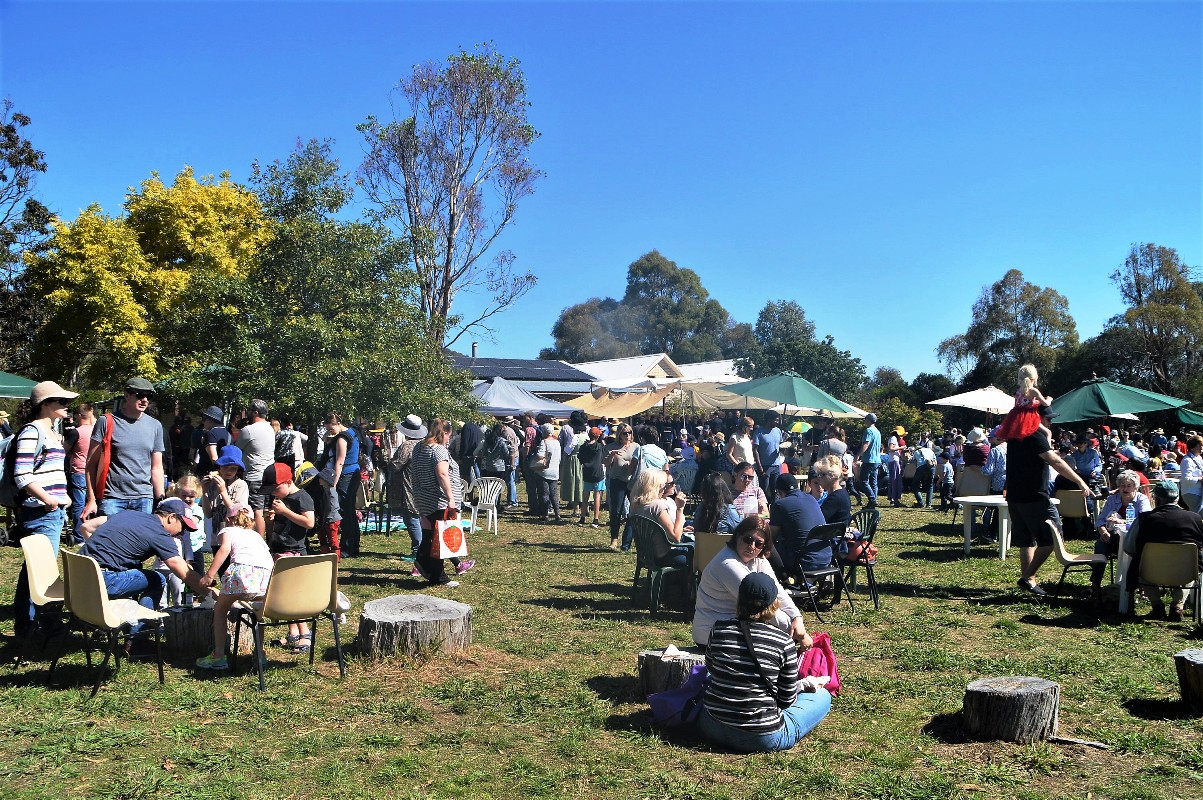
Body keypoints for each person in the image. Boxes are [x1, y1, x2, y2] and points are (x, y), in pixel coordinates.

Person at [696, 572, 831, 753]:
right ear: (774, 604)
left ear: (739, 599)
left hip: (711, 726)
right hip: (762, 737)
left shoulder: (719, 628)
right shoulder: (783, 642)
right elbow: (786, 700)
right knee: (823, 697)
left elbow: (712, 668)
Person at [10, 380, 77, 636]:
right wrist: (49, 499)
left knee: (36, 571)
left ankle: (34, 625)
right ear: (45, 404)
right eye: (62, 402)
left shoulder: (52, 430)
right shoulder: (32, 431)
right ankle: (33, 627)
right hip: (40, 512)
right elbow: (22, 475)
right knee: (39, 573)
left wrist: (64, 497)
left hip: (52, 512)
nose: (66, 406)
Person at [692, 516, 812, 648]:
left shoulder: (757, 559)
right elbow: (760, 605)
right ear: (738, 536)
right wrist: (798, 634)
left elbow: (776, 590)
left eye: (759, 543)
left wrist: (797, 617)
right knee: (778, 649)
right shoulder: (727, 564)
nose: (752, 546)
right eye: (747, 539)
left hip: (736, 627)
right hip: (713, 634)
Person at [1007, 420, 1092, 596]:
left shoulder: (1016, 434)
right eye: (1048, 419)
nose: (1050, 422)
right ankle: (1028, 577)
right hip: (1034, 497)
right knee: (1053, 539)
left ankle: (1029, 582)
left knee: (1027, 541)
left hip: (1015, 496)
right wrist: (1080, 481)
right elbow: (1055, 461)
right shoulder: (1035, 434)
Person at [79, 498, 209, 613]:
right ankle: (137, 633)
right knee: (157, 580)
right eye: (183, 527)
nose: (182, 533)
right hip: (102, 581)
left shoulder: (128, 514)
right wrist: (213, 596)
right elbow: (184, 572)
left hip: (77, 578)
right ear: (172, 518)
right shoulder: (159, 533)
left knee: (135, 572)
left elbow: (87, 526)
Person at [195, 503, 275, 670]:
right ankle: (259, 654)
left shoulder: (228, 531)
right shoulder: (256, 536)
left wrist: (209, 575)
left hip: (242, 571)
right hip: (266, 575)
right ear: (252, 520)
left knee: (220, 609)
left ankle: (218, 655)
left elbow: (224, 550)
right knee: (257, 613)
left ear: (228, 519)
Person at [83, 377, 166, 519]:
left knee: (139, 541)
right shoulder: (106, 421)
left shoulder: (155, 425)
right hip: (112, 498)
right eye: (140, 395)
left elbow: (157, 467)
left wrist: (161, 500)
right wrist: (91, 499)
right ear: (127, 395)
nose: (145, 400)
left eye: (149, 396)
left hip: (144, 498)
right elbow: (91, 465)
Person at [1123, 480, 1203, 621]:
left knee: (1141, 563)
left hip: (1150, 573)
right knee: (1191, 563)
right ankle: (1178, 606)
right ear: (1177, 498)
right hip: (1184, 573)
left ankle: (1157, 606)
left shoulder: (1144, 519)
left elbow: (1129, 548)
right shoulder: (1195, 519)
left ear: (1156, 499)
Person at [262, 463, 317, 650]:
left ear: (287, 482)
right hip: (278, 549)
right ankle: (293, 633)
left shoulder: (302, 497)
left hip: (295, 551)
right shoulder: (279, 499)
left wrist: (285, 511)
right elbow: (273, 531)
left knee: (294, 594)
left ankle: (305, 633)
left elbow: (309, 523)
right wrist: (269, 520)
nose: (273, 494)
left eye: (275, 489)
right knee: (283, 592)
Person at [412, 418, 471, 587]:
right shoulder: (438, 450)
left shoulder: (419, 447)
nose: (449, 440)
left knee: (430, 536)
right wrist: (451, 498)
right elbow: (442, 473)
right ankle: (437, 576)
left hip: (422, 497)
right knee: (440, 539)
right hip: (438, 499)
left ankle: (423, 564)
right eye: (448, 436)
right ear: (444, 433)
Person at [1089, 469, 1151, 602]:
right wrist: (1103, 531)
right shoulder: (1112, 499)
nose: (1125, 488)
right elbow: (1100, 520)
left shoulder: (1141, 499)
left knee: (1141, 552)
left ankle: (1141, 587)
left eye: (1129, 485)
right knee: (1100, 545)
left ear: (1135, 487)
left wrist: (1121, 521)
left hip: (1134, 539)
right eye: (1122, 485)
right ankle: (1095, 583)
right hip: (1113, 537)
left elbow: (1145, 520)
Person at [768, 473, 830, 580]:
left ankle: (785, 580)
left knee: (766, 544)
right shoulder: (811, 499)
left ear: (779, 492)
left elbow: (771, 537)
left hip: (804, 562)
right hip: (826, 557)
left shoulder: (780, 505)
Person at [318, 413, 362, 558]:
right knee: (350, 511)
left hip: (346, 475)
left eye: (331, 429)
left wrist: (333, 482)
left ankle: (347, 548)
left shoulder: (342, 438)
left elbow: (340, 461)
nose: (331, 432)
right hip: (353, 473)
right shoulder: (352, 433)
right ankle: (353, 545)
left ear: (338, 423)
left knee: (345, 512)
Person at [629, 468, 690, 567]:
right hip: (664, 556)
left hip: (647, 555)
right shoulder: (657, 505)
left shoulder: (636, 505)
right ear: (655, 487)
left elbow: (658, 530)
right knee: (698, 552)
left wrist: (681, 529)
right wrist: (680, 508)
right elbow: (676, 538)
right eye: (662, 486)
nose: (663, 488)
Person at [386, 414, 427, 559]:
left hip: (409, 485)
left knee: (411, 518)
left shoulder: (407, 446)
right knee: (420, 518)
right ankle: (421, 548)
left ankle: (418, 550)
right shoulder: (424, 443)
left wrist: (387, 461)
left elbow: (396, 466)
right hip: (422, 484)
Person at [235, 399, 275, 537]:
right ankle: (270, 542)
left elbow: (237, 448)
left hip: (254, 475)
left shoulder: (249, 430)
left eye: (250, 410)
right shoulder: (270, 428)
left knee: (257, 511)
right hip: (270, 474)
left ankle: (259, 542)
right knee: (269, 511)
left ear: (256, 412)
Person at [996, 363, 1053, 441]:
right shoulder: (1033, 391)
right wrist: (1049, 399)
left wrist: (1034, 402)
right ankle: (1048, 449)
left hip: (1015, 416)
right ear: (1035, 377)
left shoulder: (1019, 390)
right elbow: (1045, 404)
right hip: (1028, 417)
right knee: (1048, 433)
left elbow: (1017, 404)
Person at [605, 423, 636, 549]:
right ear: (619, 434)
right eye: (625, 433)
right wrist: (611, 455)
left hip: (632, 482)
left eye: (629, 432)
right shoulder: (611, 447)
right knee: (616, 511)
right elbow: (606, 463)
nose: (628, 435)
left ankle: (627, 541)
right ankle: (614, 539)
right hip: (617, 481)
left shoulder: (636, 447)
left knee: (633, 511)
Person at [531, 422, 563, 524]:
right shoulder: (557, 442)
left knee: (544, 494)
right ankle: (557, 514)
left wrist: (536, 454)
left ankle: (544, 515)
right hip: (554, 470)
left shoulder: (544, 442)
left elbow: (540, 456)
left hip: (544, 471)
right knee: (554, 494)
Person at [560, 410, 587, 525]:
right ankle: (586, 508)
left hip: (574, 461)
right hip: (585, 461)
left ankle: (576, 508)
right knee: (584, 484)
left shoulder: (575, 437)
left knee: (575, 484)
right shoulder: (586, 436)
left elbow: (567, 451)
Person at [577, 426, 606, 529]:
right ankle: (596, 520)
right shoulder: (599, 447)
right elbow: (604, 453)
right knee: (597, 497)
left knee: (585, 497)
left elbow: (580, 457)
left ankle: (582, 518)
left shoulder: (583, 447)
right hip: (598, 474)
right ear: (598, 437)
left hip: (587, 473)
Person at [813, 455, 851, 526]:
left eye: (821, 475)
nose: (818, 478)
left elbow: (817, 519)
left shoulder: (836, 498)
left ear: (832, 476)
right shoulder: (841, 492)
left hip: (834, 534)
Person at [752, 412, 785, 492]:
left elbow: (780, 445)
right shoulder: (759, 432)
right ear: (769, 420)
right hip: (764, 466)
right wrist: (760, 468)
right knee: (764, 490)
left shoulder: (778, 431)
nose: (777, 422)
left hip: (776, 465)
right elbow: (755, 450)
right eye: (776, 420)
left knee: (776, 490)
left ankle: (774, 504)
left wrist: (784, 447)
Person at [857, 412, 882, 508]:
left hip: (869, 459)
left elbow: (866, 444)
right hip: (877, 459)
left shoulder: (868, 431)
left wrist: (858, 456)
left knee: (863, 481)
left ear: (868, 420)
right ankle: (872, 503)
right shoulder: (877, 431)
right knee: (873, 482)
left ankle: (872, 499)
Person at [195, 405, 229, 477]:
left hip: (209, 475)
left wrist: (218, 472)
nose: (203, 422)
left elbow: (214, 458)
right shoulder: (228, 434)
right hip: (225, 474)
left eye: (204, 419)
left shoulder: (211, 433)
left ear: (210, 420)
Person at [1178, 435, 1203, 514]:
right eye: (1200, 446)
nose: (1202, 448)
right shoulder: (1187, 460)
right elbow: (1187, 479)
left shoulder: (1199, 458)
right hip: (1191, 492)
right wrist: (1200, 478)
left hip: (1199, 492)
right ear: (1192, 447)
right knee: (1198, 515)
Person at [911, 439, 937, 509]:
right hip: (931, 466)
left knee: (915, 485)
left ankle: (920, 502)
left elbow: (914, 462)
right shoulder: (930, 450)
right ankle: (929, 504)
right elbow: (935, 461)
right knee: (930, 485)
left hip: (921, 466)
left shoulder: (916, 452)